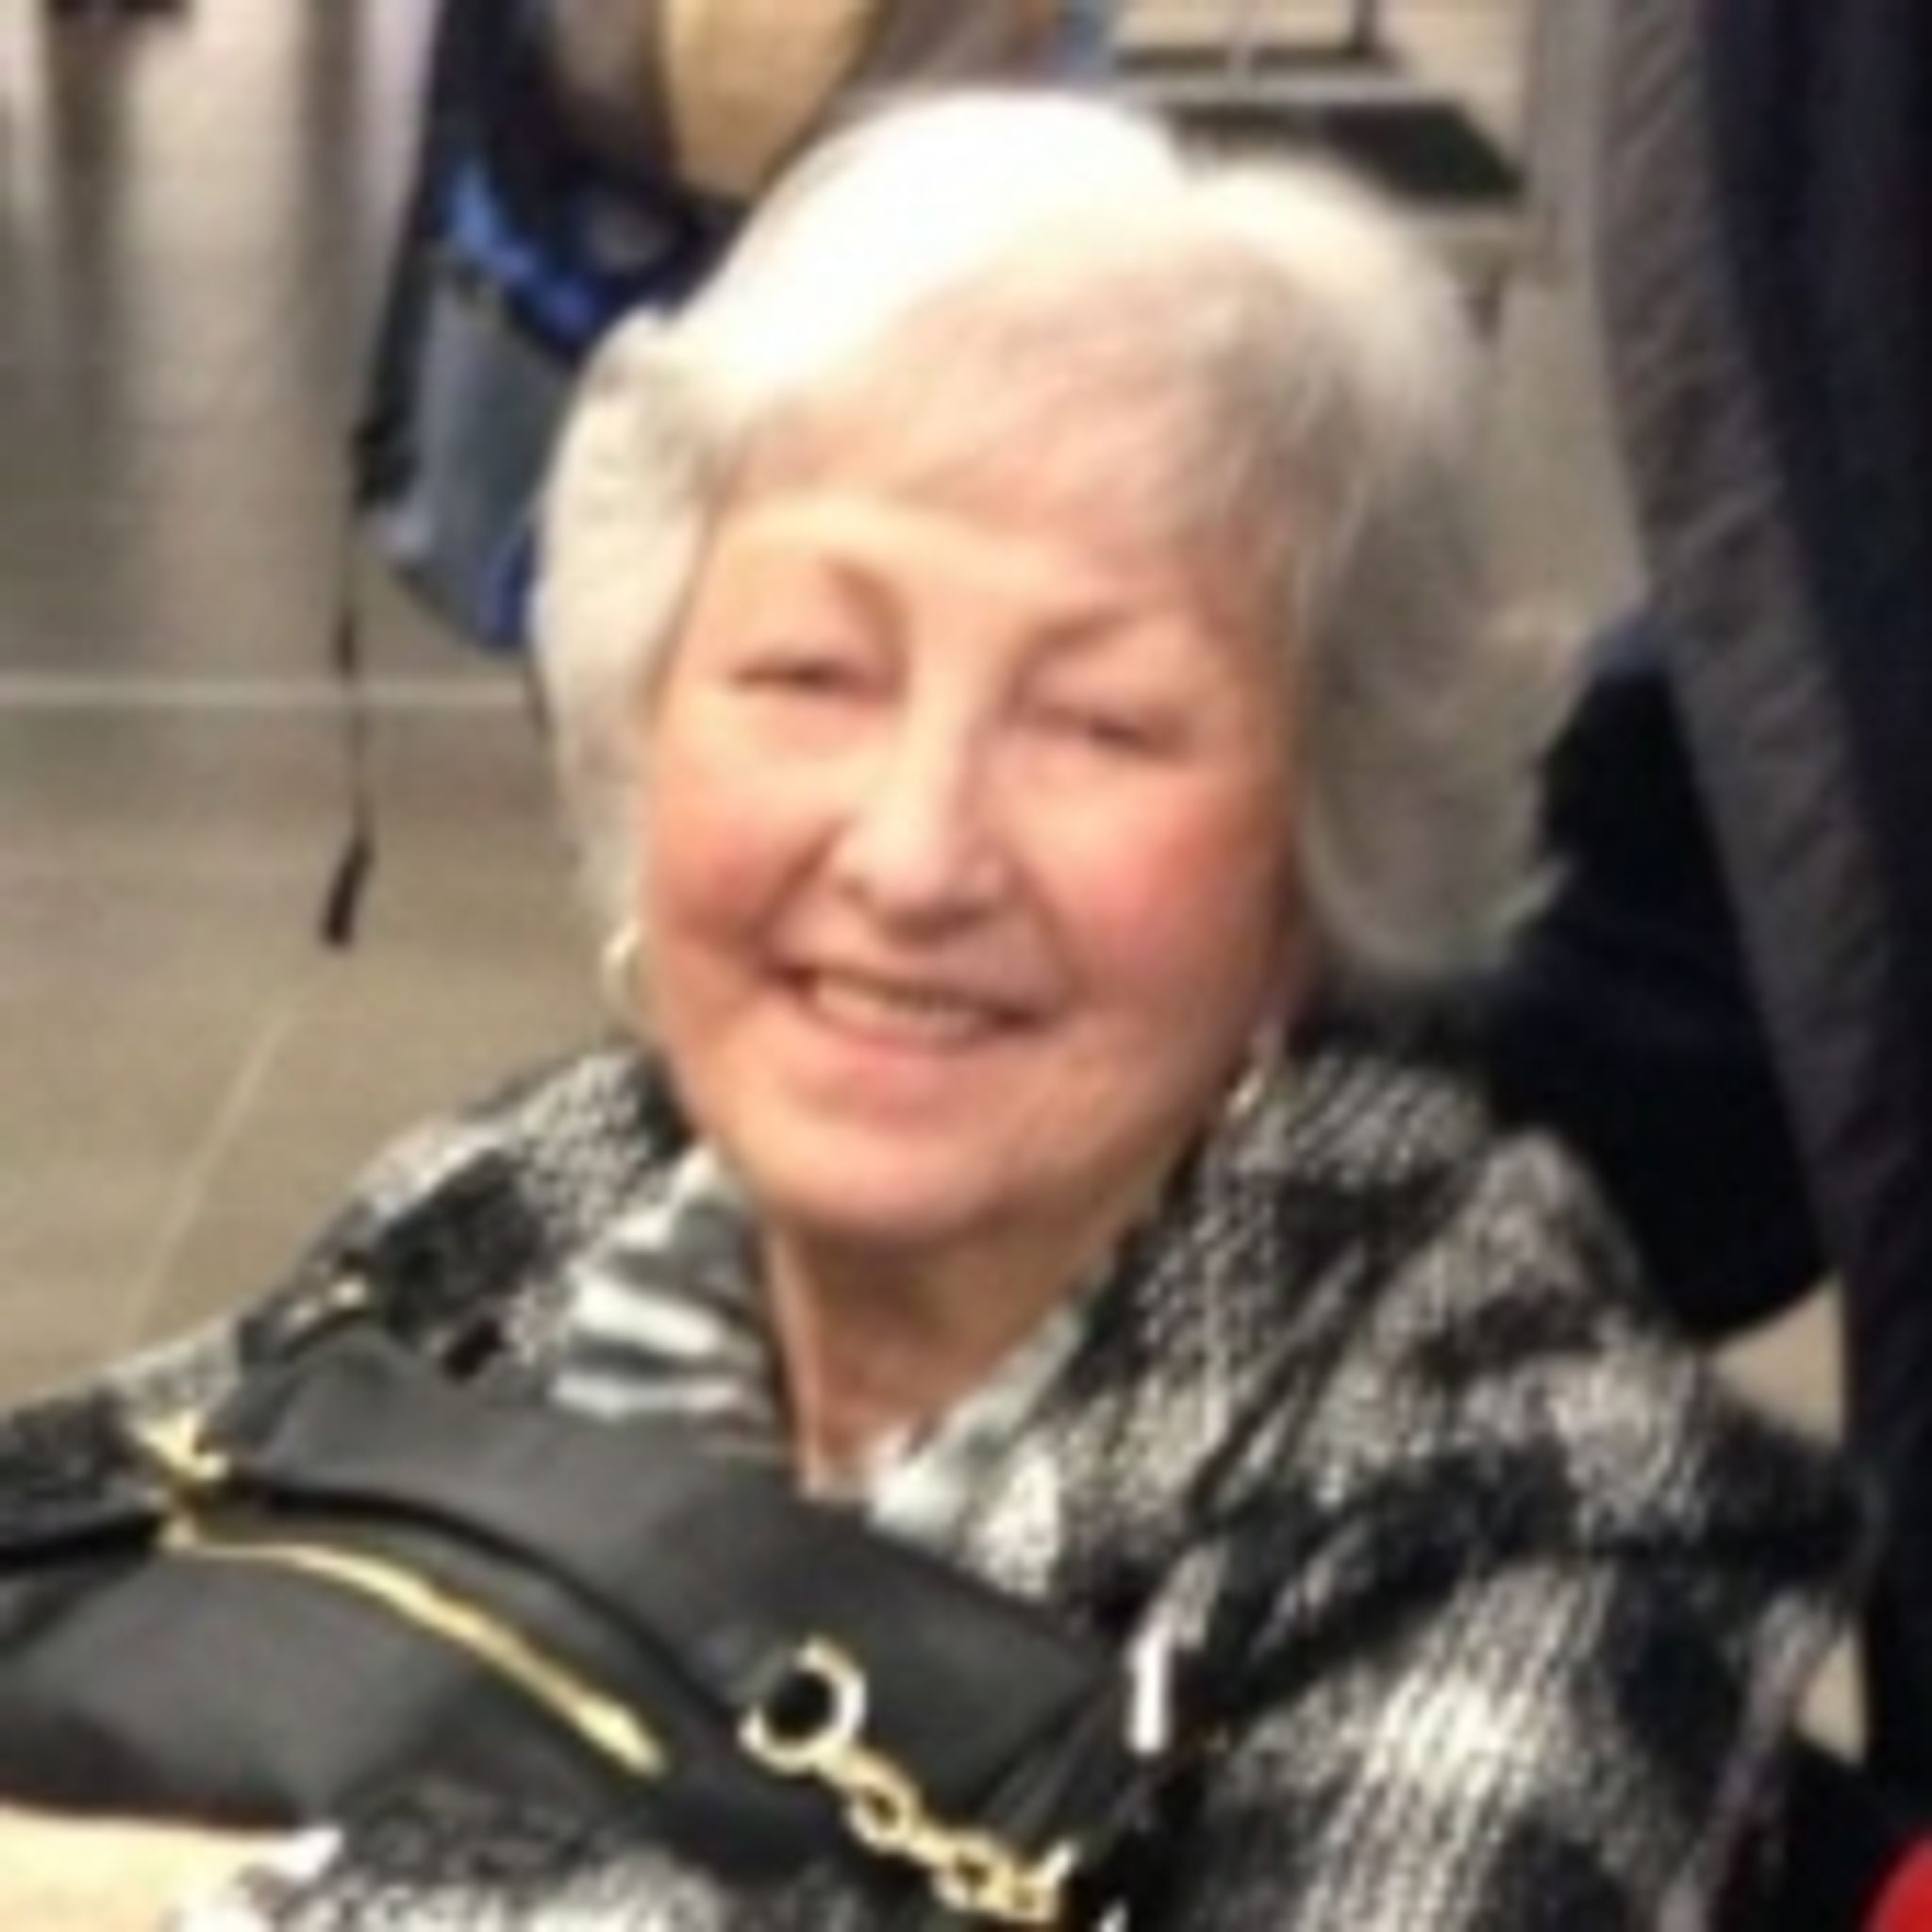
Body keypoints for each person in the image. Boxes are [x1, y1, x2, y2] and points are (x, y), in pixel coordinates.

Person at [0, 92, 1857, 1927]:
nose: (913, 853)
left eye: (1098, 724)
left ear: (1323, 843)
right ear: (644, 721)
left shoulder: (1546, 1489)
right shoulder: (535, 1191)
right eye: (812, 674)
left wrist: (214, 1897)